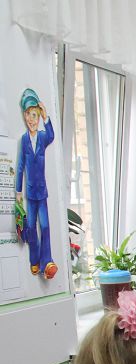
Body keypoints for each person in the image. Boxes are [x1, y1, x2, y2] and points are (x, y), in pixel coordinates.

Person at [15, 88, 58, 279]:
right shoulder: (24, 140)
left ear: (39, 117)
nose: (32, 120)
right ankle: (35, 260)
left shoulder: (42, 137)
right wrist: (18, 191)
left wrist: (46, 116)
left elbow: (51, 136)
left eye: (35, 116)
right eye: (29, 115)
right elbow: (20, 167)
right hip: (30, 193)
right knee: (32, 227)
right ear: (25, 116)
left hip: (42, 192)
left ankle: (47, 261)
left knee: (45, 226)